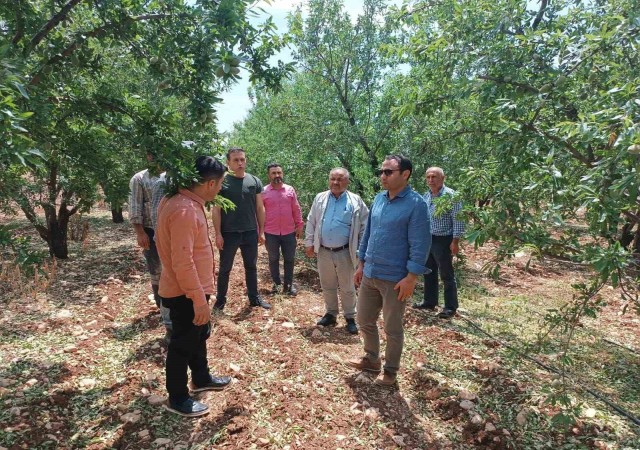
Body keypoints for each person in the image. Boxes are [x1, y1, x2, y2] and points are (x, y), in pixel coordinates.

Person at [156, 155, 232, 417]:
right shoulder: (184, 210)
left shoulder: (185, 201)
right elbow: (182, 262)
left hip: (193, 288)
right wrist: (199, 299)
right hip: (185, 291)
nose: (221, 189)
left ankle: (201, 377)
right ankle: (177, 397)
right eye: (221, 184)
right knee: (182, 343)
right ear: (210, 184)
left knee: (198, 335)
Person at [348, 155, 431, 386]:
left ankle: (391, 372)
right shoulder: (379, 199)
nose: (382, 176)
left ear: (405, 174)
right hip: (371, 273)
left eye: (388, 172)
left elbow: (420, 244)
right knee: (364, 318)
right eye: (381, 172)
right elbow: (369, 234)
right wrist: (361, 264)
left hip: (395, 279)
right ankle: (371, 359)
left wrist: (411, 277)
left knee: (392, 328)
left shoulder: (416, 204)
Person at [305, 168, 369, 334]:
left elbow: (364, 227)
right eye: (332, 179)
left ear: (347, 181)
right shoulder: (320, 198)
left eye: (339, 179)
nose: (335, 182)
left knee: (347, 286)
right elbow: (311, 221)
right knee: (327, 284)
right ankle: (331, 314)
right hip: (324, 250)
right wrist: (309, 243)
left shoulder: (355, 201)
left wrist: (360, 251)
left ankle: (350, 317)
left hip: (345, 252)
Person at [212, 147, 271, 310]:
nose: (240, 163)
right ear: (228, 162)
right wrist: (218, 233)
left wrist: (261, 231)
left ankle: (254, 299)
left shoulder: (254, 181)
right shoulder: (221, 182)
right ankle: (220, 301)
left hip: (250, 232)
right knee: (225, 268)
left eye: (242, 159)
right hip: (229, 233)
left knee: (251, 267)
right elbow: (216, 209)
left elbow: (260, 208)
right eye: (236, 160)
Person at [128, 153, 172, 342]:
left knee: (173, 270)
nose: (155, 157)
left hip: (172, 231)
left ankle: (171, 308)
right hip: (150, 231)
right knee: (157, 271)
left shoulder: (173, 176)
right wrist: (140, 232)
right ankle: (161, 305)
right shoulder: (139, 178)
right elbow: (135, 206)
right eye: (151, 154)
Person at [413, 167, 464, 319]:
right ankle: (429, 302)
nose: (431, 180)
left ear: (443, 178)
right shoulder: (426, 195)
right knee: (429, 272)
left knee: (446, 274)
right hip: (428, 239)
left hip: (443, 240)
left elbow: (458, 220)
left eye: (434, 177)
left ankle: (450, 307)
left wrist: (455, 242)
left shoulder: (451, 196)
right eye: (428, 177)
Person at [262, 163, 304, 296]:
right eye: (273, 173)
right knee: (273, 259)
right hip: (270, 232)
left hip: (289, 232)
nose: (277, 175)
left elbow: (296, 209)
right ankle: (276, 285)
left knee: (289, 259)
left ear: (282, 174)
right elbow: (259, 212)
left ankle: (288, 286)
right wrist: (260, 232)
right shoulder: (264, 192)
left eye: (279, 173)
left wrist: (299, 225)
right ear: (269, 175)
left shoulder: (290, 190)